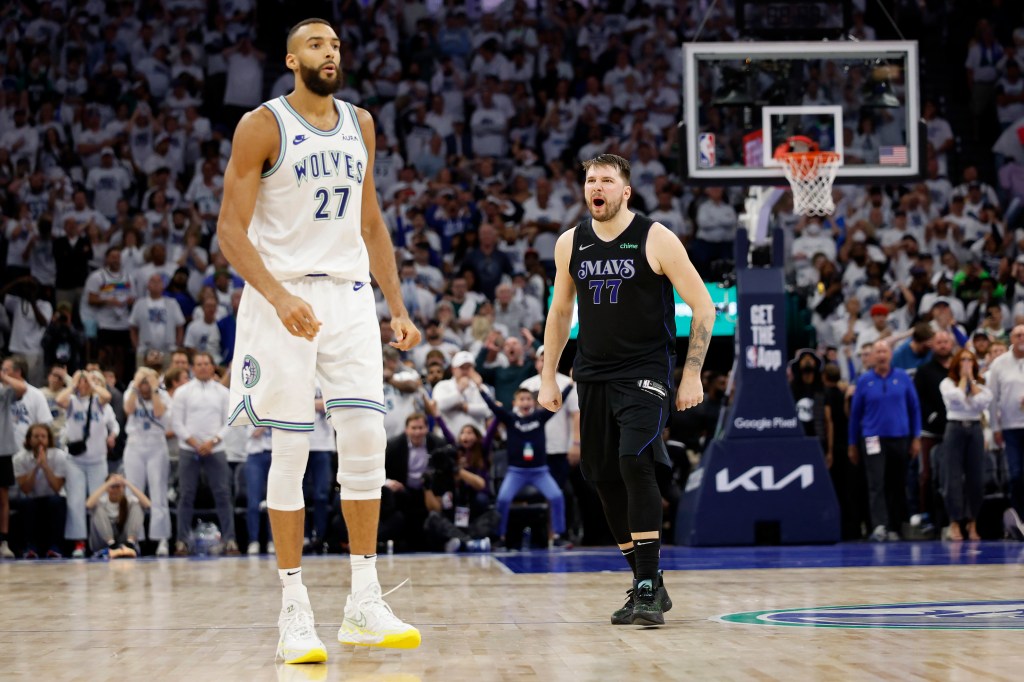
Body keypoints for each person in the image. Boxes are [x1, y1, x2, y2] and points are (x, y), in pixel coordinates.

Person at [216, 18, 423, 663]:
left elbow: (370, 219)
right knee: (292, 446)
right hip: (284, 294)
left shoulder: (361, 124)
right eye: (315, 44)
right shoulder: (262, 125)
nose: (329, 53)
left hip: (350, 294)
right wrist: (278, 297)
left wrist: (397, 304)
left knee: (364, 437)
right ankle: (293, 610)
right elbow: (229, 229)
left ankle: (364, 602)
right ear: (289, 58)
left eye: (334, 45)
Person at [539, 154, 715, 626]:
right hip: (591, 374)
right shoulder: (569, 243)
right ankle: (647, 583)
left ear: (625, 192)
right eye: (591, 180)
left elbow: (703, 306)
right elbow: (559, 314)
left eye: (607, 180)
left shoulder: (655, 237)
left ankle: (644, 585)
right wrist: (547, 376)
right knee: (602, 477)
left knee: (634, 461)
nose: (597, 187)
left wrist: (692, 374)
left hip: (646, 370)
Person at [482, 383, 573, 547]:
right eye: (521, 399)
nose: (525, 402)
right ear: (514, 403)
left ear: (534, 402)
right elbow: (492, 407)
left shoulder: (540, 417)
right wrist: (481, 390)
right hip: (516, 472)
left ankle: (559, 534)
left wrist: (570, 385)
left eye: (528, 399)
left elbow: (557, 403)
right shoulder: (510, 419)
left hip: (540, 472)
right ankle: (500, 536)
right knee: (503, 499)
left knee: (556, 496)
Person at [848, 342, 922, 542]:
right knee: (876, 482)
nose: (881, 355)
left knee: (897, 482)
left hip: (899, 436)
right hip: (872, 437)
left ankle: (896, 525)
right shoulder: (864, 381)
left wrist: (916, 437)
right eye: (877, 352)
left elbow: (914, 408)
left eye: (884, 351)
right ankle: (879, 525)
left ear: (890, 355)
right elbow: (855, 414)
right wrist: (852, 442)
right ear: (871, 356)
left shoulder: (903, 377)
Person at [171, 351, 237, 556]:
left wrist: (213, 440)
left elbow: (230, 421)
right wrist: (193, 441)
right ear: (192, 368)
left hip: (215, 448)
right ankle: (181, 541)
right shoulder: (183, 392)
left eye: (206, 364)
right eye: (198, 364)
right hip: (189, 449)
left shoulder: (223, 392)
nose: (202, 367)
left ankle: (230, 540)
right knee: (186, 495)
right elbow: (176, 422)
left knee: (223, 494)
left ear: (212, 366)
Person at [56, 369, 118, 558]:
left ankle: (98, 540)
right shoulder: (72, 402)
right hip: (75, 461)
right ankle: (79, 542)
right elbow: (59, 400)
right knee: (76, 502)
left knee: (98, 501)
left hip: (97, 460)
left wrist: (92, 385)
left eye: (86, 381)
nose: (83, 383)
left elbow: (107, 397)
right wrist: (73, 385)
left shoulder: (100, 403)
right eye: (81, 381)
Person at [939, 349, 992, 541]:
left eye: (970, 360)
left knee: (976, 477)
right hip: (955, 428)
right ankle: (954, 522)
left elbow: (982, 402)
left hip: (975, 429)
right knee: (951, 477)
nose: (967, 363)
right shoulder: (947, 383)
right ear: (956, 362)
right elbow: (957, 399)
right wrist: (963, 379)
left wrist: (971, 380)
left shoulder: (982, 383)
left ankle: (972, 522)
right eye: (963, 360)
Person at [122, 367, 172, 557]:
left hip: (156, 446)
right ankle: (134, 538)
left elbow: (159, 412)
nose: (143, 384)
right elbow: (128, 409)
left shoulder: (163, 395)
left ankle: (162, 540)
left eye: (147, 381)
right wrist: (136, 386)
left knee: (158, 492)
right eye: (141, 381)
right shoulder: (131, 392)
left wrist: (154, 388)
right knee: (133, 493)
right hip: (135, 445)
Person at [986, 325, 1024, 539]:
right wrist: (995, 427)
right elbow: (992, 399)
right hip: (1010, 427)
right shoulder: (1000, 364)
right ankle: (1018, 518)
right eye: (1018, 334)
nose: (1021, 338)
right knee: (1016, 474)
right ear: (1011, 338)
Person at [12, 423, 68, 558]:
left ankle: (55, 547)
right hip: (32, 498)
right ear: (29, 440)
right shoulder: (19, 458)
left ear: (49, 439)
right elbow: (26, 489)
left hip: (53, 496)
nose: (40, 440)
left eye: (43, 436)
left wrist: (45, 466)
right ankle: (30, 547)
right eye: (36, 436)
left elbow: (57, 487)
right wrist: (36, 467)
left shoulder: (59, 456)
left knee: (57, 502)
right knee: (26, 503)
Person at [85, 472, 151, 558]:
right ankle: (111, 545)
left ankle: (130, 544)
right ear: (107, 488)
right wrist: (108, 483)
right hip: (104, 543)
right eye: (113, 486)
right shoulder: (102, 501)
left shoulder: (129, 501)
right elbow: (88, 504)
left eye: (118, 486)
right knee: (96, 508)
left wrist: (127, 483)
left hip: (124, 541)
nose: (116, 489)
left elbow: (148, 504)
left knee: (137, 506)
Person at [0, 366, 28, 559]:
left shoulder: (4, 390)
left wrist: (3, 377)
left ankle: (3, 541)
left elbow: (23, 389)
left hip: (2, 451)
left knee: (3, 498)